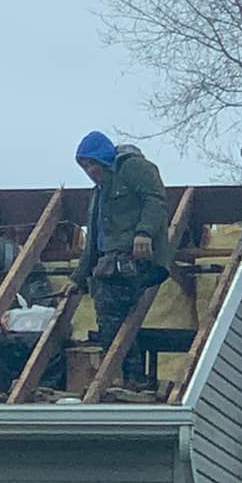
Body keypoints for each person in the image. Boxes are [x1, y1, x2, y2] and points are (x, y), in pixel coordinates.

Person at [72, 130, 172, 392]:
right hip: (111, 261)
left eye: (92, 163)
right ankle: (129, 376)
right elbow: (95, 241)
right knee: (111, 318)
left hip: (136, 257)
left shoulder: (133, 168)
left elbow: (155, 199)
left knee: (112, 309)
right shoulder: (99, 194)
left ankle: (131, 377)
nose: (90, 170)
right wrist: (79, 278)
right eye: (85, 166)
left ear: (104, 158)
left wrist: (144, 233)